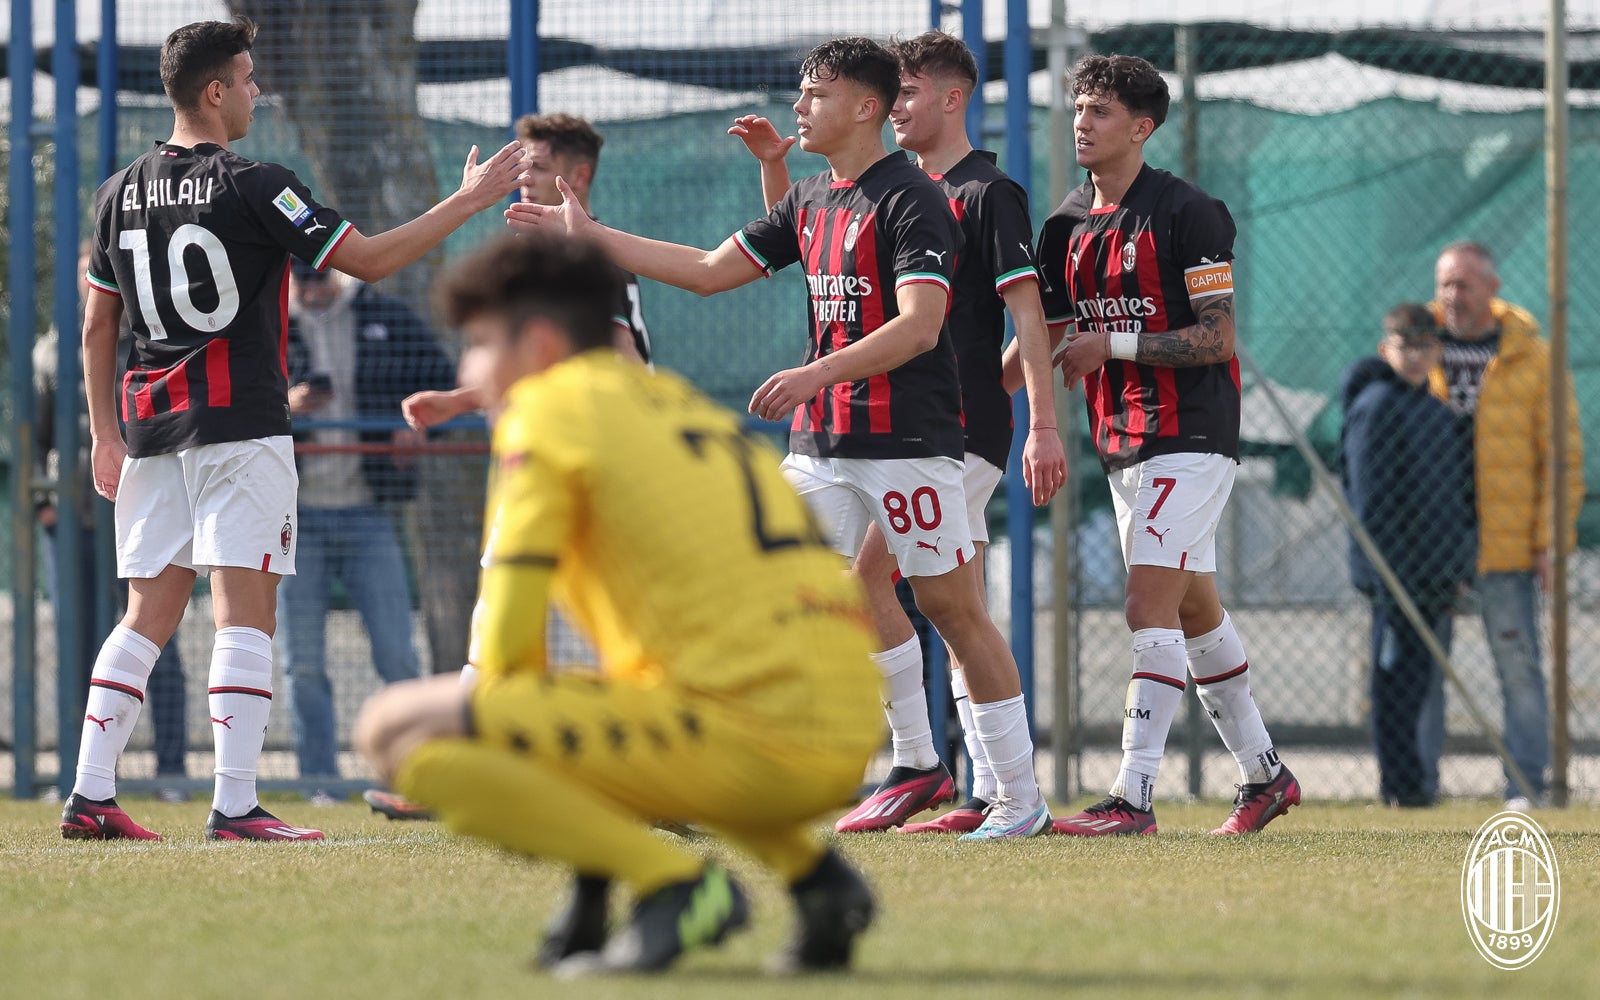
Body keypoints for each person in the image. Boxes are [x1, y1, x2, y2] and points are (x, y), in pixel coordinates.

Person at [509, 36, 1052, 840]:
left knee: (952, 611)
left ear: (864, 108)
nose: (799, 107)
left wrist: (814, 375)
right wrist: (590, 234)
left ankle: (1019, 800)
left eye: (816, 94)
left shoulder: (913, 200)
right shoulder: (809, 201)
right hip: (822, 448)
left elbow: (920, 326)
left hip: (911, 445)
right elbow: (703, 268)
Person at [354, 232, 882, 974]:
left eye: (477, 343)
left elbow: (506, 653)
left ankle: (677, 884)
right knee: (610, 705)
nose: (467, 368)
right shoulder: (676, 402)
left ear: (536, 346)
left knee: (397, 730)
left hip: (754, 737)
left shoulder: (545, 416)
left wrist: (556, 803)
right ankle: (817, 881)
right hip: (843, 725)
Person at [60, 16, 526, 842]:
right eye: (246, 77)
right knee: (246, 616)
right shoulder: (255, 182)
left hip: (148, 431)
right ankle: (235, 805)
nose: (256, 90)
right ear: (214, 91)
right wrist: (471, 198)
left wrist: (102, 432)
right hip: (241, 427)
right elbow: (372, 260)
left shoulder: (115, 192)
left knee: (145, 618)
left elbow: (98, 326)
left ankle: (91, 796)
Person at [727, 30, 1066, 834]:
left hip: (956, 431)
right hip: (889, 430)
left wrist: (1036, 418)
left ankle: (943, 772)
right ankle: (962, 784)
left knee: (929, 599)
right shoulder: (881, 188)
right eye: (896, 90)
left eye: (911, 92)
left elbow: (1030, 313)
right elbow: (805, 244)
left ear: (950, 99)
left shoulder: (979, 193)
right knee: (936, 601)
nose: (900, 104)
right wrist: (778, 169)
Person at [1038, 53, 1299, 836]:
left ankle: (1133, 798)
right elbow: (1044, 340)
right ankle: (1265, 776)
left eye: (1102, 111)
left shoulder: (1189, 211)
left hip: (1191, 434)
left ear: (1142, 128)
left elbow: (1218, 338)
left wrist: (1111, 345)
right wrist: (978, 395)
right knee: (1193, 611)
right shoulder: (1063, 225)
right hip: (1119, 440)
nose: (1083, 122)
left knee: (1145, 603)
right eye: (1079, 108)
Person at [278, 260, 455, 793]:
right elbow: (230, 403)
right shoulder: (267, 325)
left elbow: (443, 384)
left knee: (397, 652)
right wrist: (287, 406)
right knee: (301, 662)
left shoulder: (384, 314)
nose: (311, 290)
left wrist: (417, 431)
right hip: (295, 517)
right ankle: (319, 785)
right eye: (300, 279)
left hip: (369, 512)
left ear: (339, 274)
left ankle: (416, 781)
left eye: (319, 278)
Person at [1429, 240, 1584, 810]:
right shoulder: (1417, 350)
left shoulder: (1533, 357)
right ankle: (1418, 785)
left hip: (1508, 543)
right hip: (1433, 543)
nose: (1452, 296)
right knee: (1425, 665)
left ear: (1492, 288)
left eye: (1464, 284)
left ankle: (1524, 786)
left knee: (1519, 669)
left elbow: (1562, 458)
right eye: (1445, 283)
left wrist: (1549, 542)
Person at [401, 112, 650, 432]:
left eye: (541, 169)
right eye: (524, 168)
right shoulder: (564, 256)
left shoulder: (583, 258)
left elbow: (622, 354)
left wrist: (637, 430)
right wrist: (460, 402)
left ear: (580, 177)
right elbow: (552, 362)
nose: (526, 179)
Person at [34, 315, 190, 800]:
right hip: (74, 517)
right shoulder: (48, 351)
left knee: (155, 641)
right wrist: (43, 503)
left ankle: (171, 772)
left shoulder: (153, 338)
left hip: (141, 512)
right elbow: (34, 435)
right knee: (77, 647)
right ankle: (86, 775)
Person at [1339, 305, 1475, 807]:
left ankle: (1415, 782)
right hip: (1394, 578)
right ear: (1385, 349)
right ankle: (1399, 785)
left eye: (1425, 346)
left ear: (1437, 351)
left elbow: (1458, 498)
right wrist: (1389, 574)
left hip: (1434, 574)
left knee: (1419, 680)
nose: (1415, 356)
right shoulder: (1375, 407)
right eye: (1405, 345)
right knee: (1393, 680)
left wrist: (1456, 567)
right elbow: (1370, 504)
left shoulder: (1438, 412)